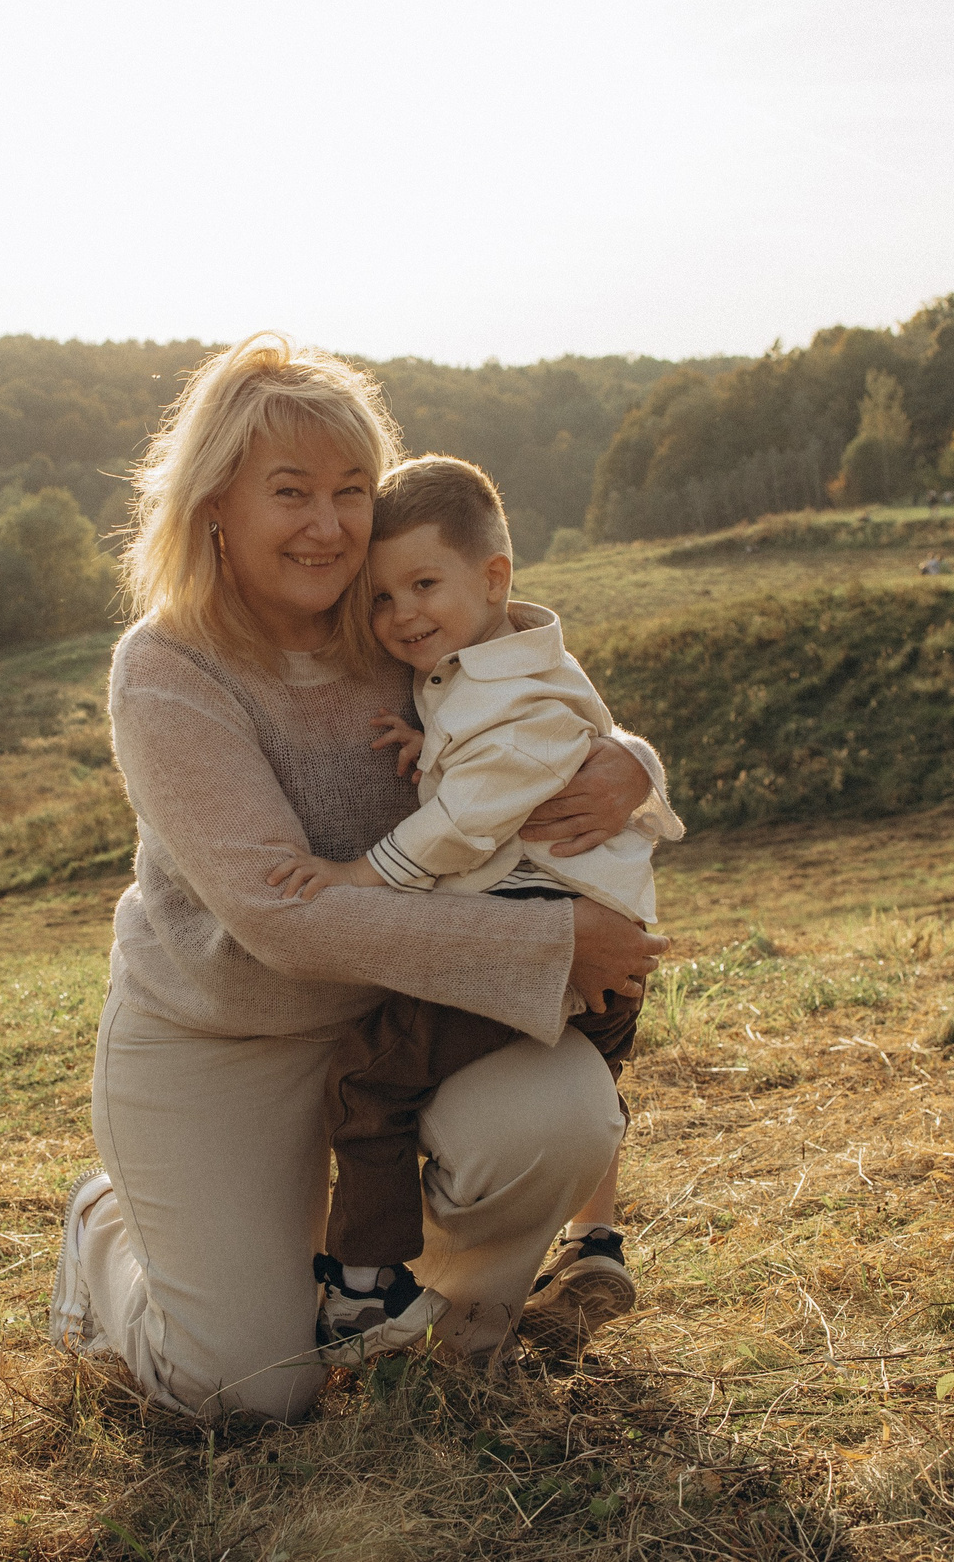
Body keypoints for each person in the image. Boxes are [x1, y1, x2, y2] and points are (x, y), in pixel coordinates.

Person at [47, 335, 672, 1421]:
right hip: (223, 1036)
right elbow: (278, 919)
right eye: (290, 493)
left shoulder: (398, 619)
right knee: (245, 1391)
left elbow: (541, 705)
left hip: (408, 1018)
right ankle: (105, 1232)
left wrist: (632, 762)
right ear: (214, 510)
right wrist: (552, 946)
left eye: (349, 491)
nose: (329, 525)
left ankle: (453, 1339)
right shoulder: (166, 669)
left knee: (561, 1112)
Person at [261, 455, 678, 1362]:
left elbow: (462, 824)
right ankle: (571, 1251)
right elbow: (489, 756)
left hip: (547, 932)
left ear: (493, 577)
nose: (401, 613)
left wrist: (358, 875)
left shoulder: (517, 696)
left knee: (370, 1082)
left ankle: (364, 1289)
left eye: (422, 585)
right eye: (381, 597)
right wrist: (433, 739)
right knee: (584, 1092)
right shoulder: (489, 670)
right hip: (572, 929)